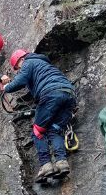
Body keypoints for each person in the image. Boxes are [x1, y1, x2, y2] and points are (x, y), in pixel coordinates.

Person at [4, 50, 76, 182]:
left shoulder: (28, 62)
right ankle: (61, 162)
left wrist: (6, 87)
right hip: (69, 95)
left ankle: (46, 165)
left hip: (51, 94)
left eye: (17, 68)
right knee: (55, 130)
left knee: (38, 131)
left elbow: (20, 81)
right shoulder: (44, 64)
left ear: (20, 60)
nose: (18, 70)